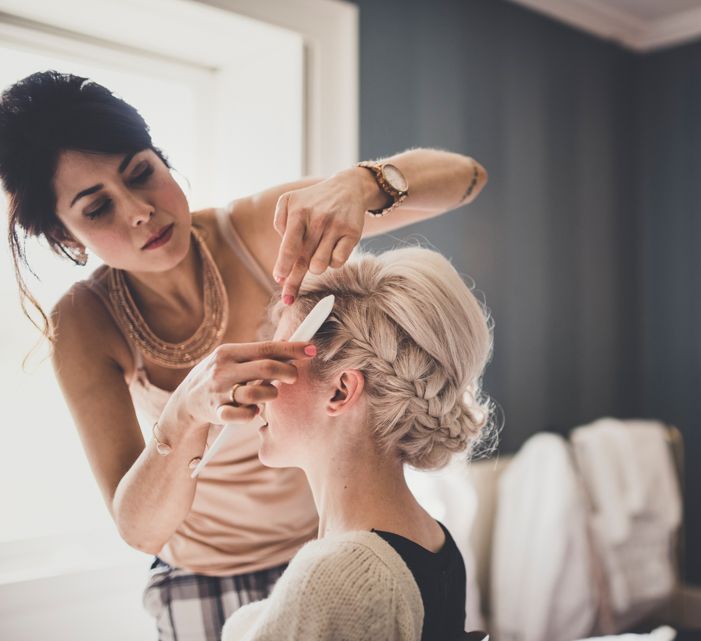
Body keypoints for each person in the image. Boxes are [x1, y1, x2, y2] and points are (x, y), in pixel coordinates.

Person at [0, 70, 488, 641]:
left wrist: (363, 184)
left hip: (327, 550)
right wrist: (182, 414)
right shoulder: (86, 324)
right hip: (200, 579)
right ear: (66, 238)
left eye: (142, 173)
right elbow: (140, 530)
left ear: (161, 158)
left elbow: (468, 179)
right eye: (96, 208)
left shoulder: (260, 229)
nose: (139, 211)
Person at [222, 246, 494, 641]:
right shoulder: (435, 540)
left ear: (340, 390)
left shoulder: (338, 576)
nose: (255, 388)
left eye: (278, 363)